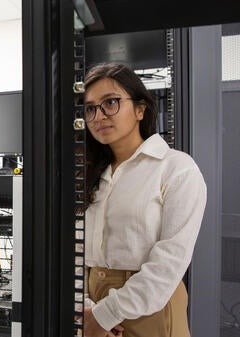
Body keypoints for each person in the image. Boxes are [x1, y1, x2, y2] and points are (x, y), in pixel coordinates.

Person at [81, 63, 207, 337]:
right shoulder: (91, 174)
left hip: (149, 307)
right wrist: (86, 308)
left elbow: (169, 263)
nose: (99, 115)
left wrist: (105, 314)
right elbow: (74, 249)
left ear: (140, 109)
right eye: (90, 108)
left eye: (110, 103)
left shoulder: (176, 168)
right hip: (89, 305)